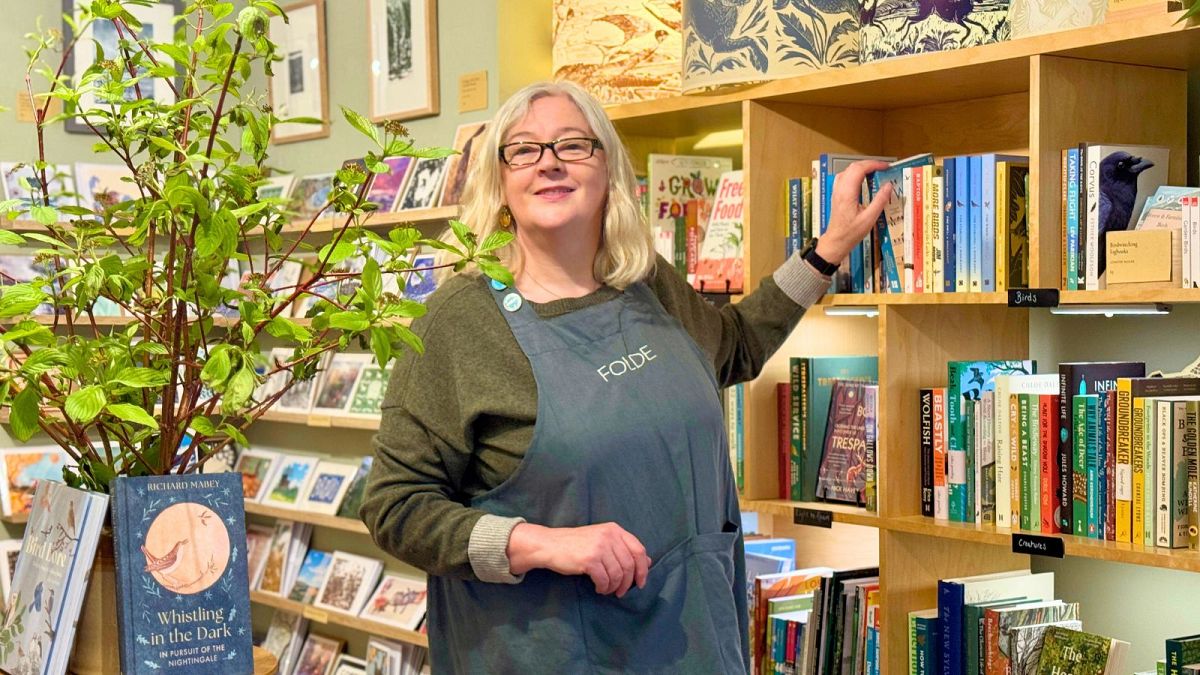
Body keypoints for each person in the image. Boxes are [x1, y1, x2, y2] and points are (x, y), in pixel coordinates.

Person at [360, 79, 891, 674]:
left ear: (607, 168)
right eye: (526, 150)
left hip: (694, 643)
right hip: (547, 654)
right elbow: (394, 506)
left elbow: (734, 347)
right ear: (499, 181)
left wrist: (829, 250)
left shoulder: (644, 282)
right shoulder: (457, 321)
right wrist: (540, 543)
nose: (551, 163)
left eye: (573, 145)